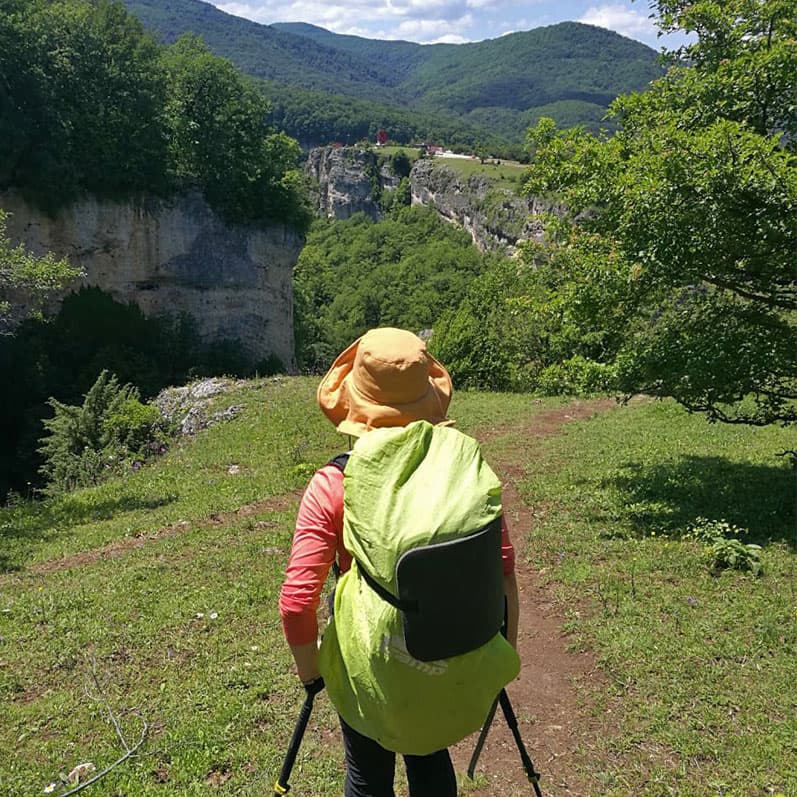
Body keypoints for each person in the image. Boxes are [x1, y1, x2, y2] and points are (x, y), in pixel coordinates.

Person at [279, 327, 520, 797]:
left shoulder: (334, 484)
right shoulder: (464, 476)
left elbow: (295, 605)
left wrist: (312, 672)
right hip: (449, 658)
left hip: (372, 667)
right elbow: (503, 573)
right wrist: (502, 655)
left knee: (367, 775)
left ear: (353, 403)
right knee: (430, 758)